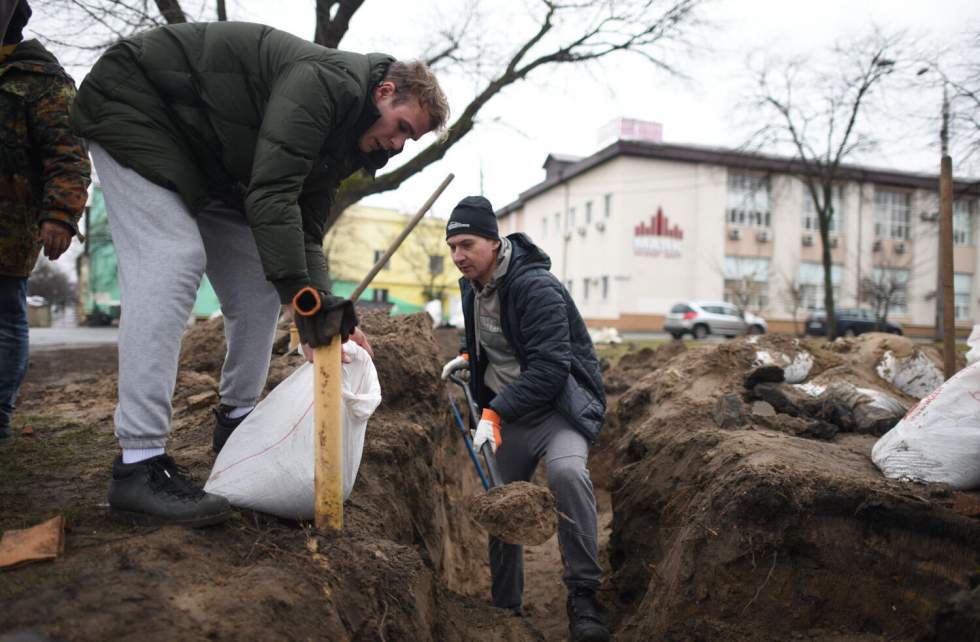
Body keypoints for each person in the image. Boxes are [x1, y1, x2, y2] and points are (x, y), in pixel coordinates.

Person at [69, 21, 449, 526]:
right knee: (173, 260)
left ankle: (236, 424)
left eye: (412, 139)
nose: (400, 145)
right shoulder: (326, 85)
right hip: (139, 106)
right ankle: (138, 464)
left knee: (254, 287)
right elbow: (271, 194)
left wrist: (324, 305)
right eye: (402, 127)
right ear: (384, 92)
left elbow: (306, 231)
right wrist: (304, 302)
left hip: (214, 160)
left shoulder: (346, 139)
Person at [441, 196, 610, 642]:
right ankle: (505, 606)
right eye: (452, 246)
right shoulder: (471, 283)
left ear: (495, 243)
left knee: (568, 474)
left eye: (467, 244)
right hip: (509, 416)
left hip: (557, 412)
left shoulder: (537, 287)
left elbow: (552, 369)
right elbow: (481, 330)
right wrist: (467, 355)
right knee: (501, 499)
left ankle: (584, 599)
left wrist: (494, 411)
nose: (458, 256)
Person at [0, 0, 90, 443]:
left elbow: (68, 155)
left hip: (9, 225)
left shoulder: (41, 80)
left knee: (4, 318)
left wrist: (59, 215)